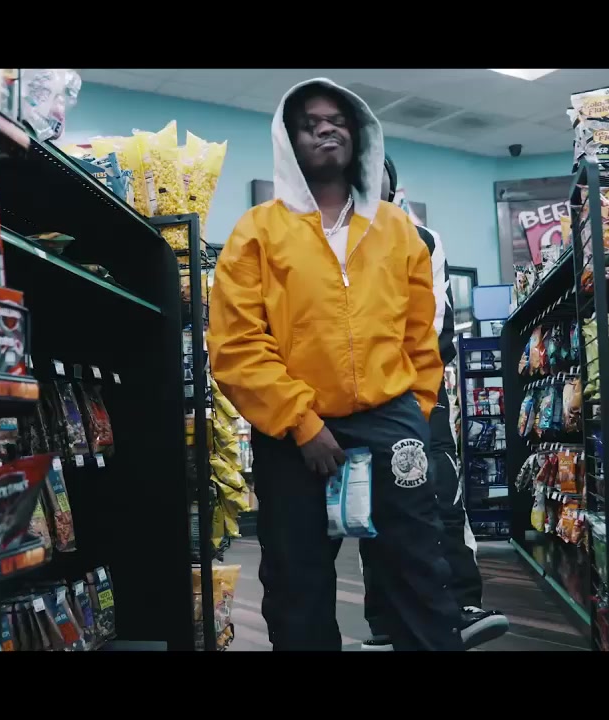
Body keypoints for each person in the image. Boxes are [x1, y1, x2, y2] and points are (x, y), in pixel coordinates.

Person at [208, 78, 465, 651]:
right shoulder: (257, 232)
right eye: (309, 123)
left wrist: (415, 413)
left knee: (419, 572)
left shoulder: (397, 230)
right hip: (293, 435)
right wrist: (302, 423)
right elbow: (236, 343)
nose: (325, 129)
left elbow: (421, 336)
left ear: (358, 134)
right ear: (289, 143)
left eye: (336, 120)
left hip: (392, 422)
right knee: (296, 584)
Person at [359, 155, 510, 651]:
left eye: (376, 170)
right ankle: (385, 617)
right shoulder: (326, 240)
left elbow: (434, 327)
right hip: (353, 400)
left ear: (391, 185)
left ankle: (459, 605)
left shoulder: (421, 239)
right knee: (369, 505)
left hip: (416, 393)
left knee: (441, 494)